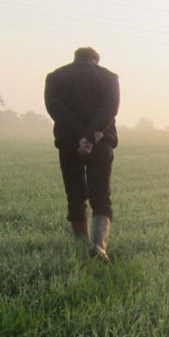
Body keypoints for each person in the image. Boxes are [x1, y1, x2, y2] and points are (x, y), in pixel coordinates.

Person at [44, 47, 120, 263]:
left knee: (75, 195)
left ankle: (80, 246)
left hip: (69, 143)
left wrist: (79, 136)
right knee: (101, 195)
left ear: (75, 58)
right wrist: (90, 137)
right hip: (101, 142)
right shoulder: (109, 77)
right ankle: (98, 246)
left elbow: (55, 109)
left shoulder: (55, 77)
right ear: (96, 60)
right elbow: (109, 110)